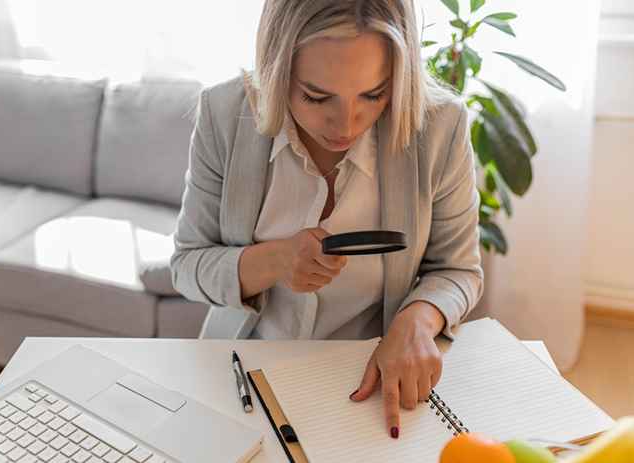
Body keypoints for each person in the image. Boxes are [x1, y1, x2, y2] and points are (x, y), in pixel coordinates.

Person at [170, 0, 483, 439]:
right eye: (317, 97)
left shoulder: (440, 127)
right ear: (276, 69)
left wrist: (417, 320)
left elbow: (457, 270)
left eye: (374, 94)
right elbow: (187, 266)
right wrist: (276, 261)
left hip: (370, 381)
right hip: (244, 377)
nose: (347, 124)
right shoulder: (224, 116)